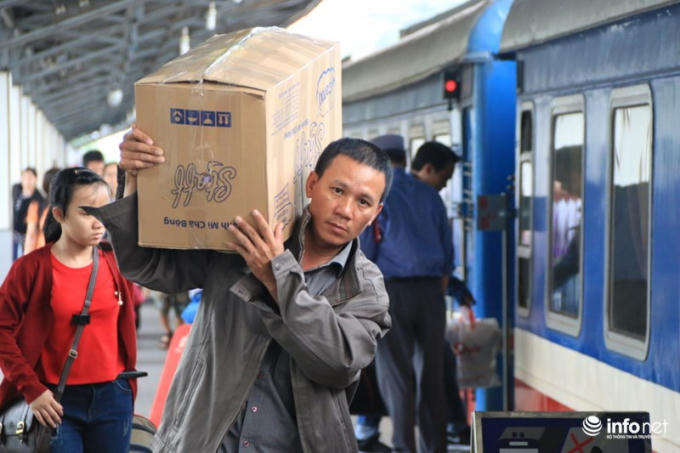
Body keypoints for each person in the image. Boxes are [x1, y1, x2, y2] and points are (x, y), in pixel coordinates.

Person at [90, 126, 392, 452]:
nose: (345, 210)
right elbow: (148, 267)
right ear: (312, 184)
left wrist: (277, 280)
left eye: (363, 201)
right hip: (205, 441)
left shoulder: (366, 289)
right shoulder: (245, 238)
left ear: (375, 213)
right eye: (337, 190)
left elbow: (338, 364)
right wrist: (135, 182)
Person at [0, 168, 139, 452]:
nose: (99, 223)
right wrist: (31, 389)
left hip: (113, 399)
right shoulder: (31, 269)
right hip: (54, 403)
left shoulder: (115, 263)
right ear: (59, 214)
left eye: (104, 211)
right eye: (87, 212)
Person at [360, 137, 459, 453]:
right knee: (432, 377)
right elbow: (447, 253)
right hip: (431, 293)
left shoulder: (378, 194)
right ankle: (436, 447)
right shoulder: (431, 195)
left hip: (391, 293)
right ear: (405, 158)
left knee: (397, 378)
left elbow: (366, 252)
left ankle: (404, 448)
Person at [24, 167, 60, 254]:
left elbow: (31, 236)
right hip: (43, 255)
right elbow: (31, 235)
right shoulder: (37, 206)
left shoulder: (67, 208)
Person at [12, 167, 44, 260]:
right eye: (24, 177)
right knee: (15, 259)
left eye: (30, 177)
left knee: (25, 259)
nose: (27, 180)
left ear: (35, 179)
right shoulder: (16, 190)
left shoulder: (38, 198)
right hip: (15, 234)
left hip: (27, 235)